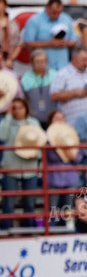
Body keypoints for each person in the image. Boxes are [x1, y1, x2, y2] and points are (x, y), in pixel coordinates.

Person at [0, 97, 42, 229]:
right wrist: (8, 116)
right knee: (9, 203)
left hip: (30, 168)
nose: (18, 110)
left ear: (26, 108)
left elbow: (40, 141)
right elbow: (2, 136)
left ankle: (28, 230)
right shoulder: (6, 122)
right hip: (11, 167)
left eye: (20, 107)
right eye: (14, 108)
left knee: (30, 203)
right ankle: (8, 230)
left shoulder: (33, 122)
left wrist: (36, 155)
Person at [45, 109, 82, 226]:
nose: (60, 121)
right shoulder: (46, 137)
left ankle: (69, 230)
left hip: (70, 176)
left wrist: (71, 155)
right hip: (53, 176)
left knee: (69, 206)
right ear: (51, 121)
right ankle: (51, 231)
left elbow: (78, 157)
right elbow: (50, 156)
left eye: (62, 118)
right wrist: (66, 152)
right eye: (57, 118)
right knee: (53, 207)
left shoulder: (71, 134)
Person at [49, 46, 87, 120]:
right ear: (74, 59)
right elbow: (53, 96)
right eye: (83, 60)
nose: (86, 63)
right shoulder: (62, 74)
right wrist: (75, 93)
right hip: (72, 120)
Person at [20, 0, 76, 71]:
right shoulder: (34, 21)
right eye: (54, 12)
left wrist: (63, 43)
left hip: (63, 66)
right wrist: (49, 43)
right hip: (43, 68)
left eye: (59, 12)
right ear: (47, 8)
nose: (57, 15)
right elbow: (26, 44)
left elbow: (74, 41)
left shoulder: (66, 19)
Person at [19, 49, 56, 125]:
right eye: (37, 62)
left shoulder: (55, 75)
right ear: (32, 63)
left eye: (43, 61)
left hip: (52, 118)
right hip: (33, 120)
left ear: (47, 62)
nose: (40, 64)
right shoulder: (26, 78)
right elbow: (23, 98)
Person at [0, 0, 23, 68]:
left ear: (5, 5)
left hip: (8, 63)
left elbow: (19, 44)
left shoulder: (13, 24)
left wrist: (10, 59)